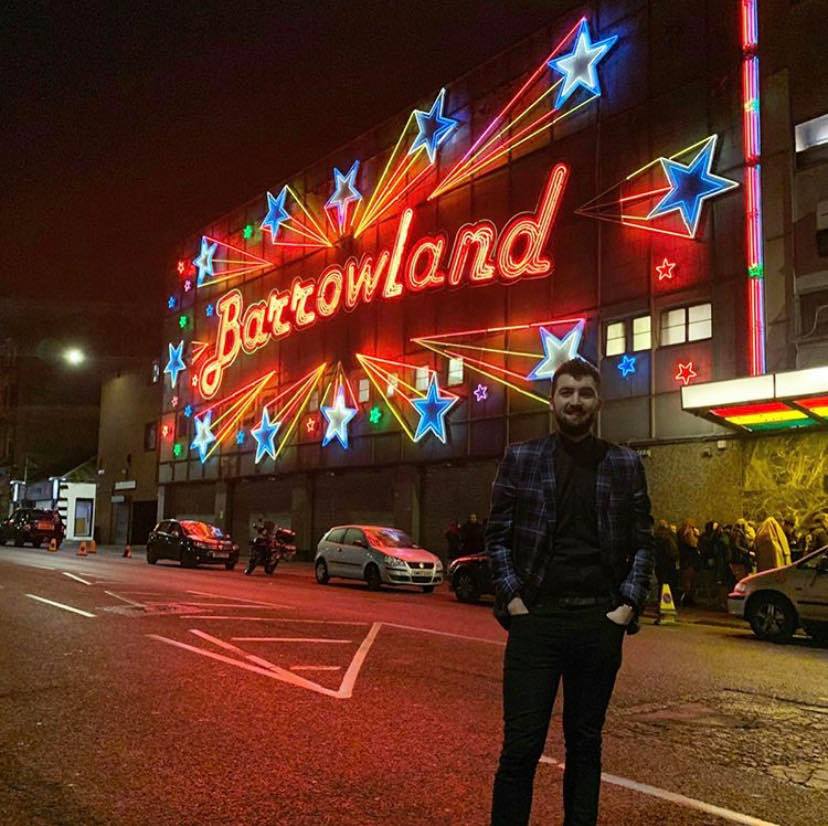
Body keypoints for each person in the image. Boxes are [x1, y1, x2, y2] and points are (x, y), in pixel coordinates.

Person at [485, 357, 654, 826]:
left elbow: (644, 541)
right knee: (520, 748)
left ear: (598, 401)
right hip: (536, 620)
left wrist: (627, 605)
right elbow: (496, 536)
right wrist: (514, 599)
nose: (575, 401)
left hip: (598, 623)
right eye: (566, 392)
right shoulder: (522, 457)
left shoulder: (623, 463)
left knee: (585, 745)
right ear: (552, 399)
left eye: (584, 392)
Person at [654, 519, 680, 606]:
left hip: (659, 563)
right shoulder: (669, 537)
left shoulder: (655, 536)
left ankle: (660, 602)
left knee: (661, 584)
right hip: (669, 563)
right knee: (669, 584)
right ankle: (668, 602)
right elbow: (673, 551)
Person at [677, 520, 701, 607]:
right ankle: (687, 599)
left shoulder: (680, 535)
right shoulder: (687, 535)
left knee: (689, 582)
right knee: (688, 582)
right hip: (689, 562)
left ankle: (688, 598)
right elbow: (693, 544)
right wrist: (696, 536)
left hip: (687, 562)